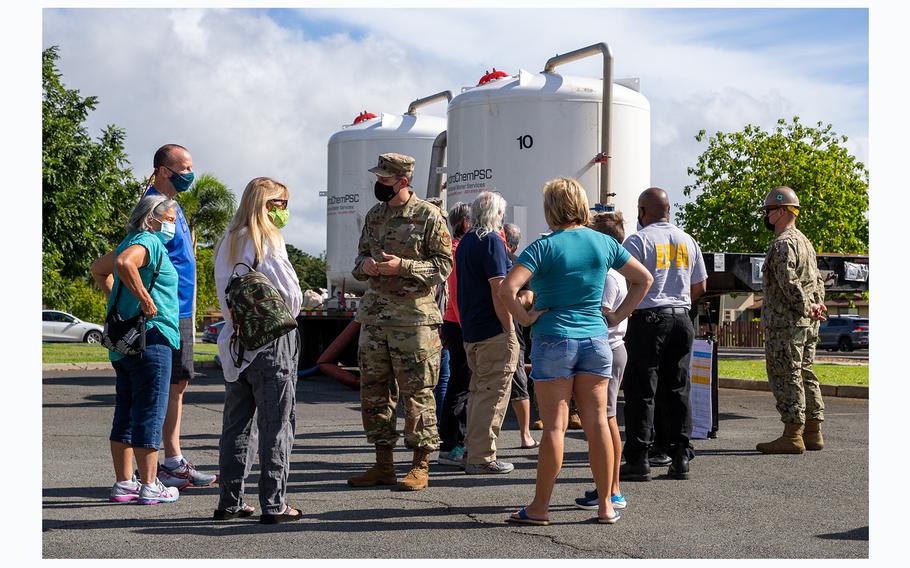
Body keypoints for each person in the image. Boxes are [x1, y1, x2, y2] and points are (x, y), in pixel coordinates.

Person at [499, 178, 652, 525]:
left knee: (555, 426)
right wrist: (617, 315)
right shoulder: (603, 242)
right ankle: (606, 505)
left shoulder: (543, 247)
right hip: (597, 341)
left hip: (553, 338)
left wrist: (525, 316)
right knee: (599, 422)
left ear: (550, 208)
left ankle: (539, 508)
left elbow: (508, 288)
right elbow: (644, 279)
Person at [348, 153, 453, 491]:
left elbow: (443, 266)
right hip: (376, 317)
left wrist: (403, 267)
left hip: (414, 321)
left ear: (403, 181)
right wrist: (366, 267)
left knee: (417, 393)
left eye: (385, 179)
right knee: (375, 393)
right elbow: (358, 259)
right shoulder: (374, 216)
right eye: (378, 177)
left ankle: (420, 465)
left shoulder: (429, 216)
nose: (379, 184)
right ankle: (383, 465)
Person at [213, 177, 303, 523]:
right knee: (276, 423)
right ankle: (274, 502)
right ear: (268, 206)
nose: (285, 211)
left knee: (236, 425)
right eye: (281, 203)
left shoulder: (229, 241)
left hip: (236, 342)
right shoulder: (267, 239)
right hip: (271, 341)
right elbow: (292, 298)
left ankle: (230, 500)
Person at [93, 195, 182, 505]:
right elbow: (122, 264)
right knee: (151, 411)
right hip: (152, 338)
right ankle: (150, 485)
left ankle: (124, 482)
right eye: (169, 218)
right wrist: (144, 299)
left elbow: (98, 268)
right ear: (152, 218)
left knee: (126, 412)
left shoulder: (130, 240)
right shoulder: (149, 241)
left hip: (125, 341)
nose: (172, 224)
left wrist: (120, 300)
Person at [620, 187, 707, 482]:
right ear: (669, 210)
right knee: (678, 388)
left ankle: (638, 459)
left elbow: (626, 281)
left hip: (648, 318)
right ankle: (680, 456)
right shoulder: (688, 240)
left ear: (643, 211)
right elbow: (700, 287)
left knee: (641, 390)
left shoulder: (638, 240)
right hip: (682, 318)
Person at [144, 144, 217, 488]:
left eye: (191, 166)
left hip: (181, 308)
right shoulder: (155, 207)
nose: (189, 173)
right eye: (182, 168)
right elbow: (137, 255)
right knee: (165, 385)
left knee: (177, 383)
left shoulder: (172, 205)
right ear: (162, 170)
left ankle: (171, 459)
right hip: (167, 308)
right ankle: (164, 462)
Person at [756, 186, 827, 454]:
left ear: (783, 211)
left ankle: (792, 434)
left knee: (786, 374)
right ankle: (812, 431)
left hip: (787, 323)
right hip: (806, 322)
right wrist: (816, 306)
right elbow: (816, 280)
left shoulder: (784, 242)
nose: (766, 216)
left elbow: (789, 282)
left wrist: (807, 307)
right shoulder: (804, 241)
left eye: (770, 211)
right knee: (805, 372)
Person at [456, 193, 520, 474]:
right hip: (493, 328)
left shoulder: (467, 241)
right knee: (492, 395)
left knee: (478, 392)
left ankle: (472, 450)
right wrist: (509, 327)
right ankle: (482, 457)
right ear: (496, 215)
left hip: (472, 328)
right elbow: (499, 289)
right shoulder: (492, 241)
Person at [575, 211, 630, 511]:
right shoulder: (616, 273)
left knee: (606, 420)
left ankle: (610, 490)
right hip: (613, 349)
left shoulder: (608, 276)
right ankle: (610, 488)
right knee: (606, 419)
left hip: (608, 349)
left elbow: (602, 312)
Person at [438, 202, 472, 468]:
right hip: (460, 323)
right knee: (462, 385)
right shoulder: (461, 251)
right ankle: (454, 443)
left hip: (449, 322)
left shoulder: (449, 249)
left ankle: (449, 440)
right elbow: (460, 293)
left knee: (454, 384)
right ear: (467, 223)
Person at [502, 222, 537, 449]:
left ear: (513, 247)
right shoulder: (489, 259)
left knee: (518, 382)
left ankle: (525, 434)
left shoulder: (518, 265)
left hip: (513, 331)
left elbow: (528, 296)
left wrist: (510, 302)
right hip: (491, 331)